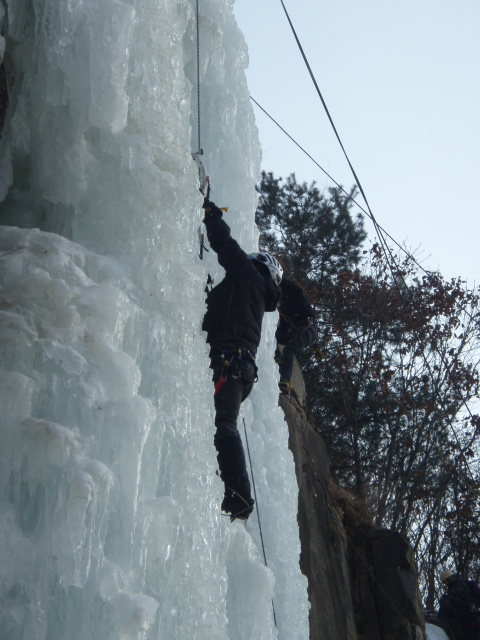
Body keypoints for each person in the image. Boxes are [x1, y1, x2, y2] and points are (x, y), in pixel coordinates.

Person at [201, 198, 282, 522]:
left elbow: (226, 247)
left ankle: (239, 496)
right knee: (216, 425)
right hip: (237, 366)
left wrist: (212, 216)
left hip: (229, 362)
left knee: (223, 424)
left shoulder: (249, 276)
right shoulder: (251, 293)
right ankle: (222, 487)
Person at [275, 276, 318, 394]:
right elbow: (282, 329)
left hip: (308, 327)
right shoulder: (283, 308)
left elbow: (292, 286)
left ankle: (285, 380)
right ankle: (278, 358)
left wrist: (277, 277)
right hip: (297, 330)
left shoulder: (294, 293)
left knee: (290, 349)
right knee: (275, 335)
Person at [437, 569, 480, 640]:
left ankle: (440, 620)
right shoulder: (463, 583)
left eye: (445, 582)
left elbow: (460, 600)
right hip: (471, 615)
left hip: (466, 610)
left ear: (448, 579)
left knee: (445, 599)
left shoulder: (455, 586)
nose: (446, 584)